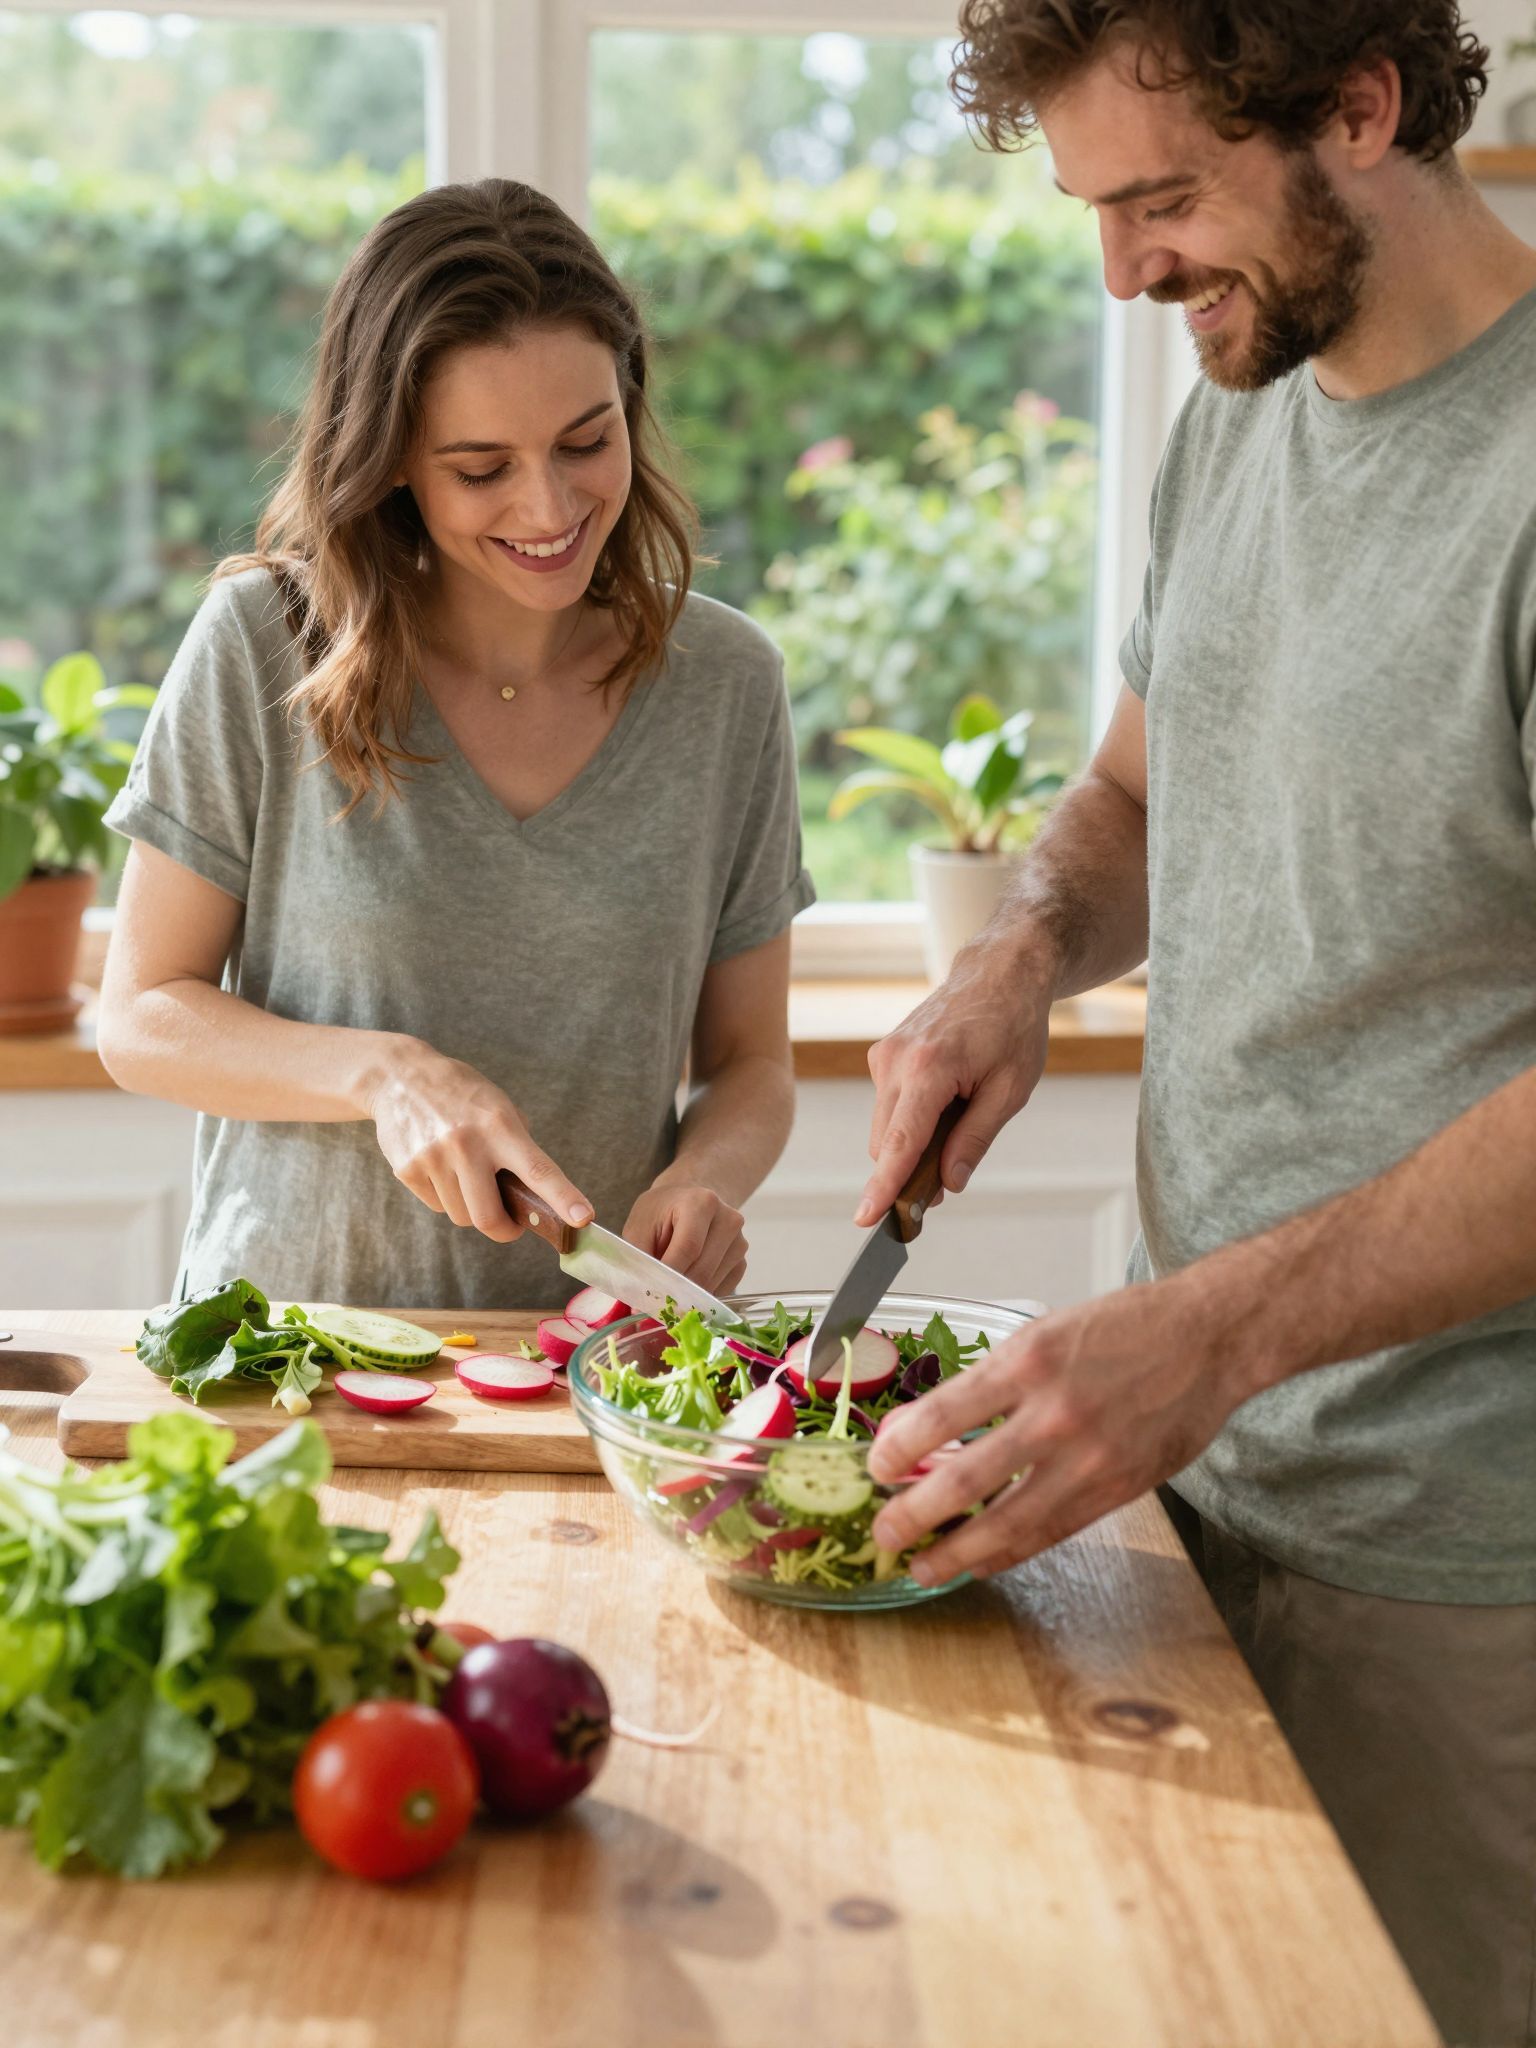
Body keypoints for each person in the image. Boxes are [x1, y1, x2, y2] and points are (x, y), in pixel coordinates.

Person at [857, 5, 1536, 2041]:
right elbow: (1143, 792)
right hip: (1168, 1490)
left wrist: (1213, 1333)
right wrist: (1022, 952)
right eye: (1096, 207)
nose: (1124, 270)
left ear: (1362, 107)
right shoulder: (1244, 399)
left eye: (1160, 199)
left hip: (1453, 1569)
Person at [98, 179, 814, 1311]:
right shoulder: (263, 644)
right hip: (292, 1357)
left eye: (588, 440)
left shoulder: (725, 685)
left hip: (590, 1360)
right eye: (481, 469)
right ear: (389, 461)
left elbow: (751, 1062)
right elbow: (140, 1013)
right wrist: (385, 1073)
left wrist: (708, 1175)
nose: (550, 507)